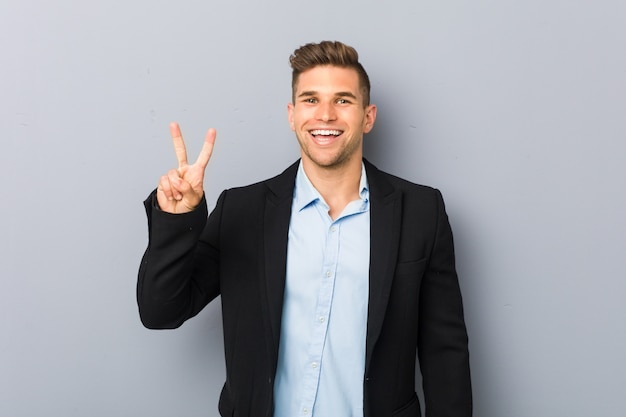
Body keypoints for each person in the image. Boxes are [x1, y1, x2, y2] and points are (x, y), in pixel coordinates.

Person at [138, 40, 472, 417]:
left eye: (343, 100)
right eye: (311, 100)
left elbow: (446, 353)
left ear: (368, 116)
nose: (325, 115)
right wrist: (178, 218)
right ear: (292, 114)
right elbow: (160, 312)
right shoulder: (242, 210)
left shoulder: (421, 211)